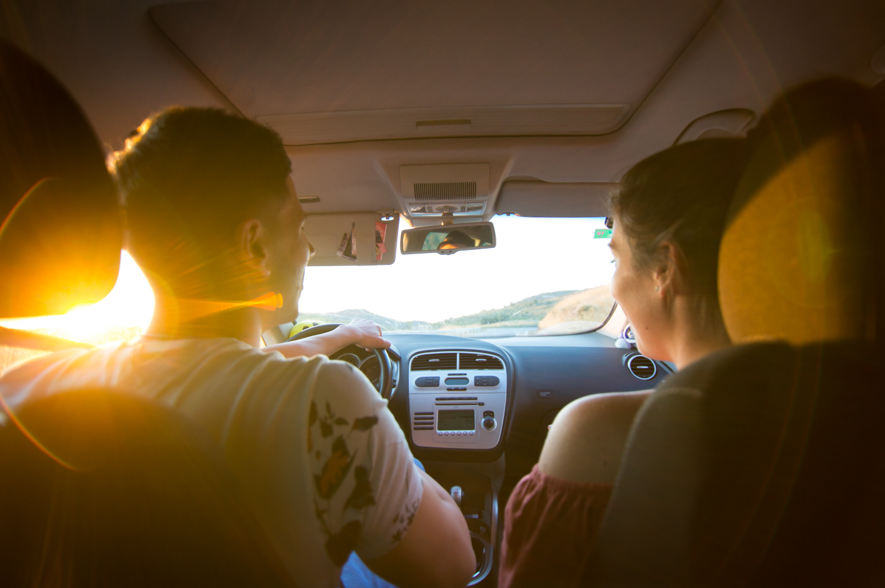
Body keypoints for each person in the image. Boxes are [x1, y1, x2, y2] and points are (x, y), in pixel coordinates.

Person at [0, 107, 475, 588]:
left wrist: (339, 337)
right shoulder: (333, 407)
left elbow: (217, 372)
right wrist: (396, 449)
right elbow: (454, 567)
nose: (308, 249)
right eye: (300, 226)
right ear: (256, 247)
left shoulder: (25, 393)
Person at [498, 137, 751, 588]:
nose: (613, 284)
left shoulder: (597, 431)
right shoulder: (856, 407)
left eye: (615, 258)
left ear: (666, 269)